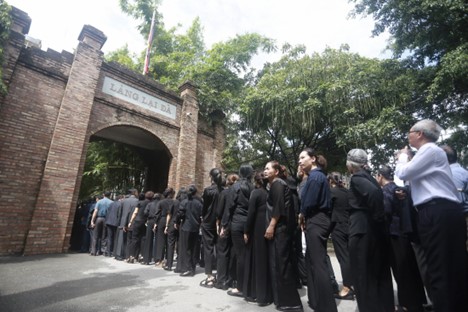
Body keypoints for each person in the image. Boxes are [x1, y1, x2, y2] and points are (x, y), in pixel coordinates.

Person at [395, 120, 468, 311]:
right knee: (451, 265)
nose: (408, 135)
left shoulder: (429, 150)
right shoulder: (431, 153)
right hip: (444, 211)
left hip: (436, 211)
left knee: (438, 268)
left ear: (420, 134)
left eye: (410, 131)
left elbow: (403, 173)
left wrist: (403, 157)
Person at [346, 149, 394, 312]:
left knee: (362, 274)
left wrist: (377, 215)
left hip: (361, 230)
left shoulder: (358, 178)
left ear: (350, 164)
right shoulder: (370, 177)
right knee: (377, 272)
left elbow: (373, 194)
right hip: (371, 229)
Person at [377, 165, 427, 312]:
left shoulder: (386, 191)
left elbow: (385, 211)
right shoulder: (401, 189)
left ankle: (408, 304)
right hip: (406, 233)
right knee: (411, 269)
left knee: (401, 271)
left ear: (380, 176)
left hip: (393, 235)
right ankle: (417, 301)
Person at [297, 148, 337, 312]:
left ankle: (326, 306)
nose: (299, 161)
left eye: (302, 157)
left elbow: (309, 202)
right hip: (314, 220)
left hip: (317, 220)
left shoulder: (316, 177)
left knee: (319, 263)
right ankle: (316, 301)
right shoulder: (314, 177)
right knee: (312, 261)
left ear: (312, 159)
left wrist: (302, 213)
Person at [263, 161, 303, 312]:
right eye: (265, 169)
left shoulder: (278, 184)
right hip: (279, 229)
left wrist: (271, 226)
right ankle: (281, 300)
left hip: (280, 229)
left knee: (282, 265)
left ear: (276, 171)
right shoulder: (275, 184)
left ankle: (291, 303)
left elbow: (279, 207)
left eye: (268, 168)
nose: (265, 171)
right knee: (278, 264)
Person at [243, 171, 273, 306]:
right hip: (267, 228)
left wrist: (246, 230)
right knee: (265, 260)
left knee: (255, 260)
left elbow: (251, 213)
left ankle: (255, 293)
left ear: (256, 181)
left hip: (256, 229)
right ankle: (265, 294)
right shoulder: (269, 193)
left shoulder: (255, 193)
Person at [225, 164, 254, 297]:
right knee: (248, 254)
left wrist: (224, 225)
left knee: (240, 255)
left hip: (237, 223)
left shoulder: (235, 187)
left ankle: (241, 287)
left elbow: (229, 207)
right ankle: (249, 283)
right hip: (250, 224)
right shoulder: (253, 187)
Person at [328, 172, 354, 300]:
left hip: (338, 227)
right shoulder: (348, 192)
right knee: (350, 257)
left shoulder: (332, 193)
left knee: (343, 258)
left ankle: (347, 287)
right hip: (350, 226)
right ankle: (352, 284)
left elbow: (329, 210)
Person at [199, 168, 223, 288]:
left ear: (211, 177)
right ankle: (221, 274)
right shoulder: (224, 190)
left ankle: (209, 276)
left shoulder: (208, 190)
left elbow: (204, 208)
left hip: (208, 222)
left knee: (208, 248)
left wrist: (203, 217)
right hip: (220, 222)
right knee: (220, 249)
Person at [215, 173, 238, 290]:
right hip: (236, 225)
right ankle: (231, 279)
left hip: (225, 224)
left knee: (223, 252)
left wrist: (218, 223)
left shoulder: (224, 193)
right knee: (233, 252)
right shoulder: (239, 192)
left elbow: (219, 211)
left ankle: (221, 280)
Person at [176, 185, 203, 277]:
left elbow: (180, 214)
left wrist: (177, 221)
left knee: (186, 248)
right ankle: (193, 268)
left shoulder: (184, 202)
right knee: (194, 248)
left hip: (186, 227)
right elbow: (201, 215)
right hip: (195, 227)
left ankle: (187, 268)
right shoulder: (199, 203)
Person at [127, 191, 154, 263]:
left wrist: (130, 222)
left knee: (135, 238)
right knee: (143, 239)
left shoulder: (140, 203)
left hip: (137, 221)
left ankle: (132, 256)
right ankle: (141, 255)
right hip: (145, 222)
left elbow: (135, 212)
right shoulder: (150, 203)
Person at [114, 189, 139, 260]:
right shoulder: (137, 201)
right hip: (132, 221)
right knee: (130, 239)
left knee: (121, 239)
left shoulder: (123, 201)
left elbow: (120, 212)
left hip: (123, 221)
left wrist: (119, 222)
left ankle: (119, 254)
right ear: (135, 193)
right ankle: (128, 255)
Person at [154, 188, 175, 267]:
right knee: (169, 242)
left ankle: (159, 260)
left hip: (162, 220)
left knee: (160, 240)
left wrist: (156, 223)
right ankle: (168, 260)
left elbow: (157, 213)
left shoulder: (161, 202)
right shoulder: (174, 202)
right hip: (171, 221)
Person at [90, 191, 113, 256]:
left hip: (99, 218)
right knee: (104, 236)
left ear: (103, 194)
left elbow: (95, 211)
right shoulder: (111, 202)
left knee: (95, 235)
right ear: (110, 195)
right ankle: (103, 251)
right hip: (106, 219)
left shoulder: (99, 201)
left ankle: (93, 251)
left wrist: (92, 221)